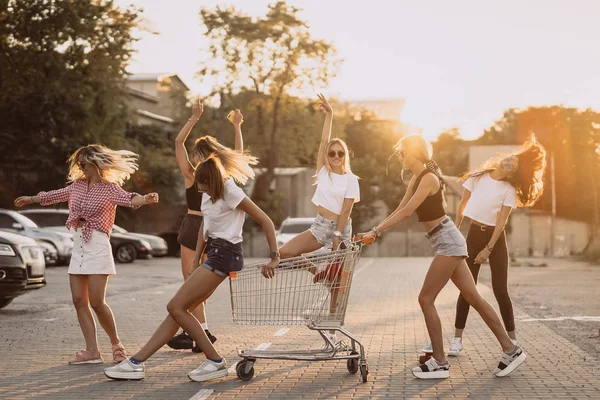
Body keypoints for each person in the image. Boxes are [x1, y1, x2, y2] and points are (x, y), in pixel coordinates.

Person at [358, 134, 526, 379]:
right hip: (445, 240)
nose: (400, 157)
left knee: (425, 299)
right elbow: (400, 209)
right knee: (474, 297)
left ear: (414, 152)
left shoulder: (428, 178)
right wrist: (374, 231)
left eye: (402, 152)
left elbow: (406, 212)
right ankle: (511, 349)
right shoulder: (417, 178)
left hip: (448, 241)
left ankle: (440, 361)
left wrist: (375, 231)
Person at [104, 155, 280, 382]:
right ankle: (136, 363)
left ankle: (215, 360)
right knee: (178, 312)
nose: (199, 188)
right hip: (214, 253)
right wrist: (196, 259)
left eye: (202, 183)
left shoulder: (230, 191)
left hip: (226, 255)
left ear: (212, 180)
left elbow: (266, 220)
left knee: (175, 306)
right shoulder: (208, 196)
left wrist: (275, 257)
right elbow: (204, 227)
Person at [14, 144, 159, 365]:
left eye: (84, 163)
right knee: (78, 300)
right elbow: (55, 195)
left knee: (98, 302)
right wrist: (31, 199)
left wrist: (146, 199)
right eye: (78, 163)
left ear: (96, 163)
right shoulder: (77, 186)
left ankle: (116, 345)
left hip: (98, 246)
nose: (81, 166)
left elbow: (129, 199)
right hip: (79, 245)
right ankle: (92, 351)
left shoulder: (109, 189)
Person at [445, 135, 547, 356]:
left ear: (513, 173)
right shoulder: (477, 177)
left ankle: (512, 341)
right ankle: (457, 339)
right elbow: (462, 205)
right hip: (473, 235)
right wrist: (454, 232)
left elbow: (501, 222)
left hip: (495, 239)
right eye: (510, 158)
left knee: (501, 290)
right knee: (467, 289)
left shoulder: (508, 190)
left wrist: (488, 249)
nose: (508, 161)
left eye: (514, 164)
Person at [278, 94, 360, 344]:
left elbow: (346, 212)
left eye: (340, 153)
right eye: (332, 153)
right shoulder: (322, 172)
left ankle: (334, 331)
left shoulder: (351, 180)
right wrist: (329, 115)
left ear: (345, 156)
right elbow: (324, 140)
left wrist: (337, 235)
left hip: (340, 230)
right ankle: (318, 272)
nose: (335, 156)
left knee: (338, 286)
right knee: (285, 252)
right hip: (319, 226)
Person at [168, 100, 244, 353]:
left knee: (192, 283)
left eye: (198, 153)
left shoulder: (203, 176)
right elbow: (236, 156)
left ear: (203, 156)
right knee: (196, 283)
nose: (194, 157)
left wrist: (196, 118)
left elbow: (237, 156)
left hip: (203, 228)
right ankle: (199, 329)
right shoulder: (207, 176)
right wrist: (234, 127)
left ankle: (199, 330)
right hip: (205, 229)